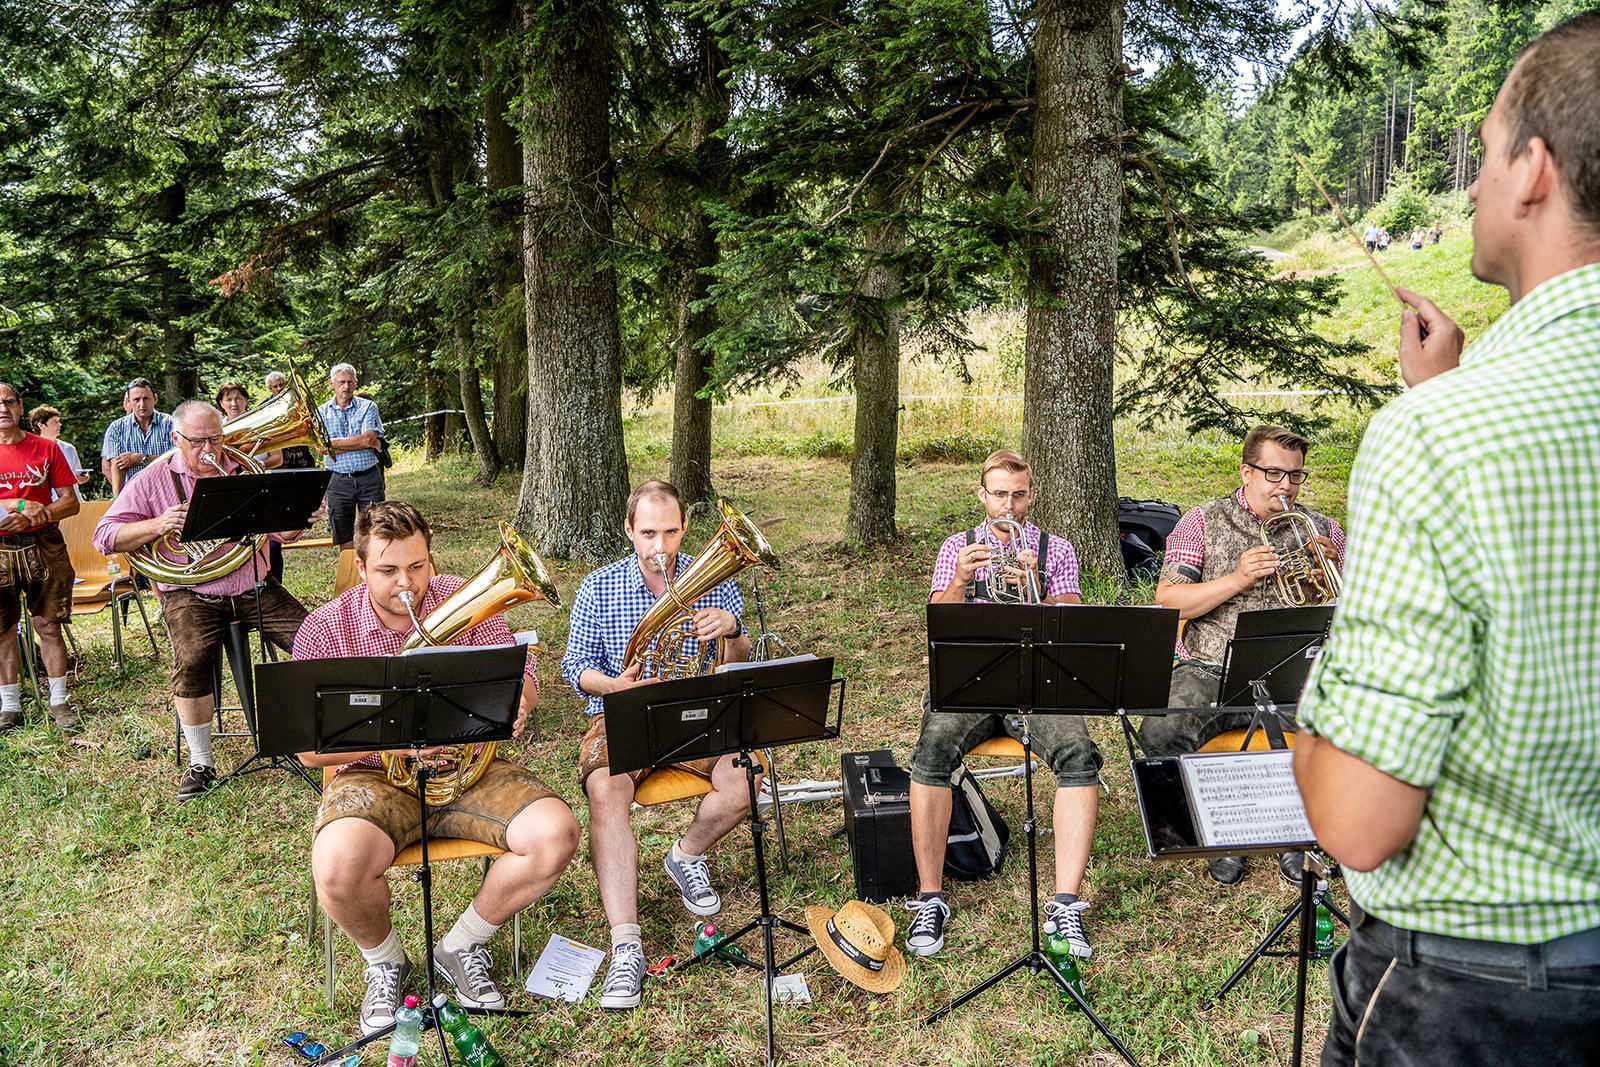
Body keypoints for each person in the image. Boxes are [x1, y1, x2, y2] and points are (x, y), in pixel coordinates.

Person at [1295, 16, 1600, 1063]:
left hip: (1482, 996)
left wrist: (1443, 417)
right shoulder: (1457, 415)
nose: (1469, 186)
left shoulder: (1440, 437)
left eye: (1480, 154)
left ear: (1534, 171)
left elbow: (1358, 817)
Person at [296, 502, 578, 1035]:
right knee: (336, 867)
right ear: (360, 567)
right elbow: (311, 751)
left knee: (556, 834)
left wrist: (523, 699)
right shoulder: (325, 629)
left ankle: (462, 943)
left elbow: (522, 673)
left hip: (469, 764)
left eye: (418, 566)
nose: (408, 583)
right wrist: (395, 747)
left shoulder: (465, 595)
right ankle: (384, 961)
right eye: (388, 570)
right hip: (373, 773)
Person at [560, 480, 754, 1011]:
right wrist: (615, 686)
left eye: (670, 532)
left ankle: (686, 855)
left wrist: (730, 629)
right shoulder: (598, 587)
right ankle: (626, 943)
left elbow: (738, 663)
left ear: (684, 529)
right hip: (621, 712)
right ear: (629, 531)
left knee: (747, 773)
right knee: (605, 789)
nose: (660, 546)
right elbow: (575, 668)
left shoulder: (713, 575)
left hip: (696, 713)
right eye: (648, 533)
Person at [903, 449, 1096, 961]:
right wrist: (961, 582)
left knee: (1079, 754)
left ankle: (1066, 904)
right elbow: (936, 625)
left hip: (1037, 679)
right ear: (982, 495)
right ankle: (930, 897)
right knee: (932, 752)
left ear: (1030, 494)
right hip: (973, 679)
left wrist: (1039, 588)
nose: (1009, 504)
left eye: (1019, 494)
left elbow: (1074, 619)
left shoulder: (1055, 548)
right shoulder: (956, 547)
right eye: (999, 494)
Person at [1144, 424, 1345, 885]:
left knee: (1349, 727)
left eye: (1295, 476)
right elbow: (1168, 602)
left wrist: (1337, 574)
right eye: (1273, 473)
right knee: (1160, 730)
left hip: (1296, 662)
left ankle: (1301, 835)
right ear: (1246, 472)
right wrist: (1235, 579)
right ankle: (1216, 833)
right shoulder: (1201, 520)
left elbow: (1358, 610)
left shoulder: (1323, 527)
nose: (1286, 486)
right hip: (1211, 664)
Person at [93, 401, 318, 800]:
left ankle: (313, 736)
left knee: (317, 640)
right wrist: (158, 524)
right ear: (177, 439)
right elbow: (104, 536)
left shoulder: (246, 470)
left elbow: (281, 534)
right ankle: (201, 761)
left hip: (254, 585)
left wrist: (298, 517)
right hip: (191, 594)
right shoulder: (150, 479)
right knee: (193, 658)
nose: (210, 449)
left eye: (216, 438)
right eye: (198, 442)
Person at [0, 382, 80, 730]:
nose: (2, 408)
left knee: (48, 624)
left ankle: (59, 702)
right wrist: (16, 504)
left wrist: (40, 513)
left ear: (20, 408)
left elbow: (71, 502)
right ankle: (9, 706)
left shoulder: (47, 448)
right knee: (2, 629)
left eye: (9, 402)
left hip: (44, 544)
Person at [317, 363, 386, 552]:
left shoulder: (368, 406)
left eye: (349, 382)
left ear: (356, 384)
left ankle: (375, 575)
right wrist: (357, 442)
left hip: (368, 477)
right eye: (341, 382)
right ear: (332, 384)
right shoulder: (321, 412)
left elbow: (368, 439)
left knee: (376, 530)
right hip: (337, 480)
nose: (345, 387)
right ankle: (350, 577)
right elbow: (320, 448)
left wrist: (333, 444)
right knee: (343, 534)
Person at [100, 377, 173, 496]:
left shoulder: (170, 424)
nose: (142, 404)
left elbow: (177, 460)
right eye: (136, 400)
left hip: (166, 493)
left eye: (146, 399)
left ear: (155, 399)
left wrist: (142, 458)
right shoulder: (117, 428)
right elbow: (117, 466)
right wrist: (117, 499)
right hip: (133, 496)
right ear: (128, 401)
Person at [28, 406, 90, 497]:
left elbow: (79, 475)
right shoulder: (30, 450)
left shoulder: (69, 448)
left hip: (73, 502)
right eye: (55, 422)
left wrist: (83, 477)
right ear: (41, 425)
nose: (60, 424)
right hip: (46, 504)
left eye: (59, 421)